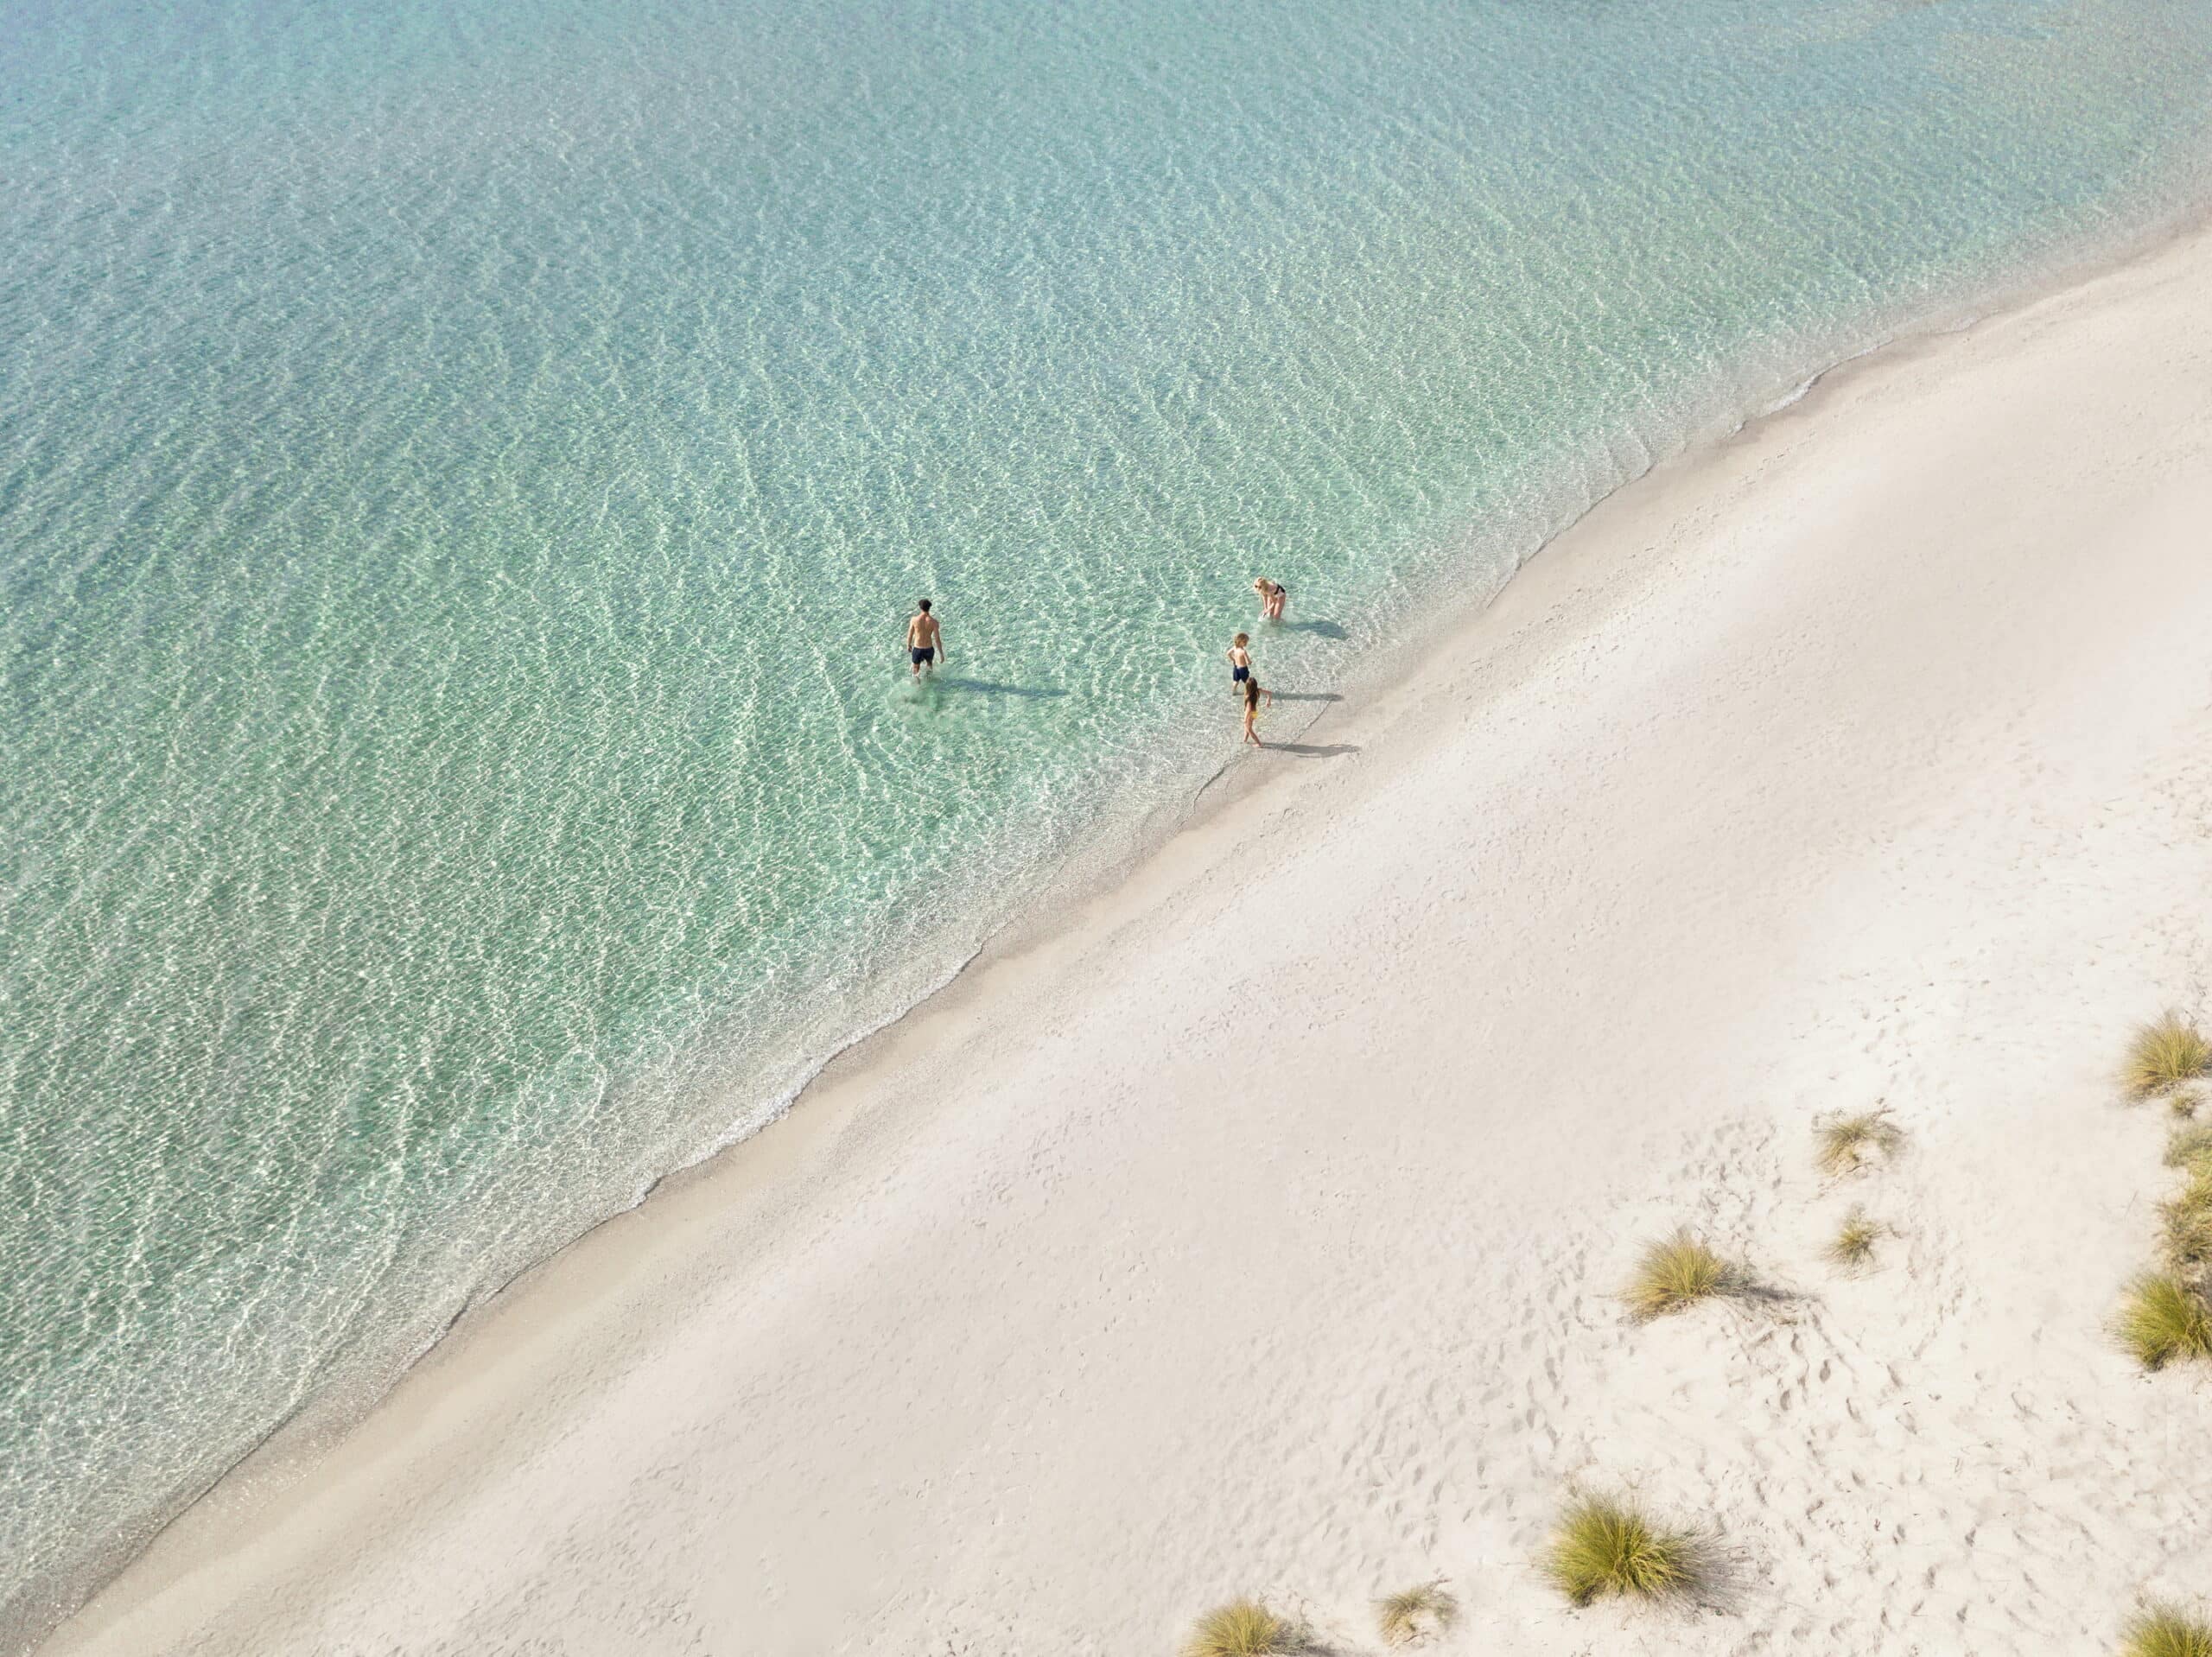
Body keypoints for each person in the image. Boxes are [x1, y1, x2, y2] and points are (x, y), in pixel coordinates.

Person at [906, 598, 944, 679]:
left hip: (917, 648)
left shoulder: (914, 620)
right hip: (929, 649)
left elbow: (910, 634)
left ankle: (918, 684)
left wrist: (908, 644)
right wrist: (941, 653)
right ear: (929, 608)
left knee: (916, 668)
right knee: (929, 665)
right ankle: (929, 680)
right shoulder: (934, 622)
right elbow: (937, 639)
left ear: (920, 608)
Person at [1242, 672, 1272, 746]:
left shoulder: (1249, 697)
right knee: (1247, 728)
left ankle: (1259, 744)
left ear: (1247, 687)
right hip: (1254, 713)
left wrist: (1245, 719)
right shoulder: (1257, 691)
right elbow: (1269, 693)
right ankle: (1245, 740)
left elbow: (1248, 709)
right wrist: (1268, 700)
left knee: (1249, 729)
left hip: (1250, 714)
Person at [1226, 632, 1252, 696]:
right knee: (1247, 682)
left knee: (1236, 681)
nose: (1246, 643)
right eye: (1245, 642)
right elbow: (1248, 662)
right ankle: (1248, 694)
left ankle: (1234, 692)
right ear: (1239, 642)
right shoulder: (1243, 651)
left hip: (1236, 667)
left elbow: (1228, 653)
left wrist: (1233, 660)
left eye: (1246, 642)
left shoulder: (1235, 647)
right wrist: (1250, 662)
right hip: (1243, 669)